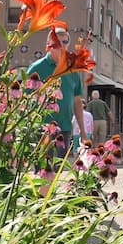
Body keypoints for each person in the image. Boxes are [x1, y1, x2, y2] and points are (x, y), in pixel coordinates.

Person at [27, 27, 87, 158]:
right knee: (42, 167)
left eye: (65, 42)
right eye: (57, 42)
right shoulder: (37, 68)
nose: (61, 46)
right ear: (48, 44)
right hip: (41, 129)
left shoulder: (72, 69)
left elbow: (77, 101)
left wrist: (83, 131)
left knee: (58, 167)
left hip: (65, 129)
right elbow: (25, 97)